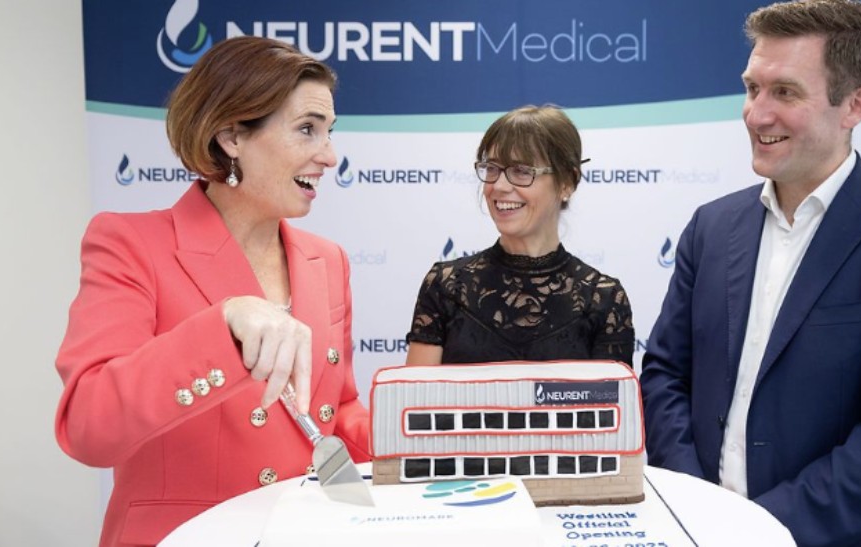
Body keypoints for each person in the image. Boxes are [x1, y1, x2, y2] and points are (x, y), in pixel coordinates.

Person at [640, 1, 861, 546]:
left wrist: (753, 532)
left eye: (786, 93)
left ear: (856, 105)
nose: (756, 114)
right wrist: (696, 507)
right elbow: (665, 374)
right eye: (752, 88)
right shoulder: (711, 226)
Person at [54, 37, 369, 547]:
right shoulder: (130, 243)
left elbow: (333, 409)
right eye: (307, 130)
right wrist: (223, 325)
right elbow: (89, 425)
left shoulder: (326, 259)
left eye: (329, 132)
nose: (329, 156)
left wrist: (413, 437)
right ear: (231, 136)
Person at [405, 105, 634, 367]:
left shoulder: (603, 299)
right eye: (491, 168)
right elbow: (416, 403)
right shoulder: (445, 286)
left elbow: (609, 405)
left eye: (522, 171)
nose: (499, 186)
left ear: (567, 182)